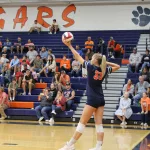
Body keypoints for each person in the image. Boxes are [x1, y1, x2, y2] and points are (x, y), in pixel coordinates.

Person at [59, 36, 120, 150]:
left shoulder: (91, 67)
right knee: (99, 124)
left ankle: (70, 145)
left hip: (92, 99)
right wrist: (106, 62)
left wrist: (69, 45)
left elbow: (77, 56)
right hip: (101, 99)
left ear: (95, 60)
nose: (91, 58)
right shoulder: (104, 69)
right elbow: (118, 66)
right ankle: (98, 147)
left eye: (93, 57)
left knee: (82, 124)